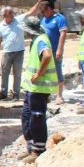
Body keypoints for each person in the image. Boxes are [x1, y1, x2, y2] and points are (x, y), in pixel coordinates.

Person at [20, 16, 57, 156]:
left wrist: (39, 74)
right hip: (31, 88)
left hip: (39, 88)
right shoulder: (37, 40)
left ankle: (39, 149)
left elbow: (47, 56)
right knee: (26, 115)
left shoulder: (41, 40)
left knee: (37, 117)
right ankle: (30, 146)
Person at [26, 0, 67, 104]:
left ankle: (59, 95)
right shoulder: (43, 19)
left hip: (54, 49)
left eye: (44, 11)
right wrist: (39, 1)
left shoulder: (59, 19)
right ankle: (46, 94)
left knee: (57, 71)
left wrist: (59, 49)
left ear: (49, 9)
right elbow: (32, 13)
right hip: (43, 50)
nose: (43, 14)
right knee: (44, 71)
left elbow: (63, 34)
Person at [0, 6, 26, 100]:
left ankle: (16, 94)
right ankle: (3, 93)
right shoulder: (0, 26)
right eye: (10, 13)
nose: (12, 14)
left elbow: (30, 12)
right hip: (7, 52)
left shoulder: (18, 20)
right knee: (4, 73)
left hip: (19, 52)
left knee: (17, 73)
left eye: (12, 13)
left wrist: (39, 2)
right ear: (4, 15)